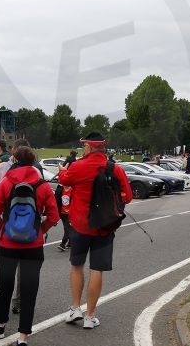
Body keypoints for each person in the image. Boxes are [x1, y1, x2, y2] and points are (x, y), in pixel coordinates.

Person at [0, 144, 60, 346]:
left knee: (6, 285)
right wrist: (41, 230)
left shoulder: (6, 182)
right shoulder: (43, 185)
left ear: (14, 158)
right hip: (33, 245)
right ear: (33, 162)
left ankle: (0, 325)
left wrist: (5, 230)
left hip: (8, 245)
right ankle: (22, 341)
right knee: (29, 290)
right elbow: (54, 216)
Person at [57, 132, 133, 330]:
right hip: (105, 228)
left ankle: (75, 308)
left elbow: (64, 180)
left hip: (80, 225)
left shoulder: (78, 166)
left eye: (85, 147)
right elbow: (128, 196)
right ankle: (90, 316)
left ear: (89, 148)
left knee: (77, 266)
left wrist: (61, 170)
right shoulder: (115, 169)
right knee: (96, 270)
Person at [0, 140, 29, 314]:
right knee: (21, 262)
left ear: (13, 151)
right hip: (25, 224)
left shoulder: (1, 168)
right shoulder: (34, 171)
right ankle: (18, 301)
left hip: (2, 220)